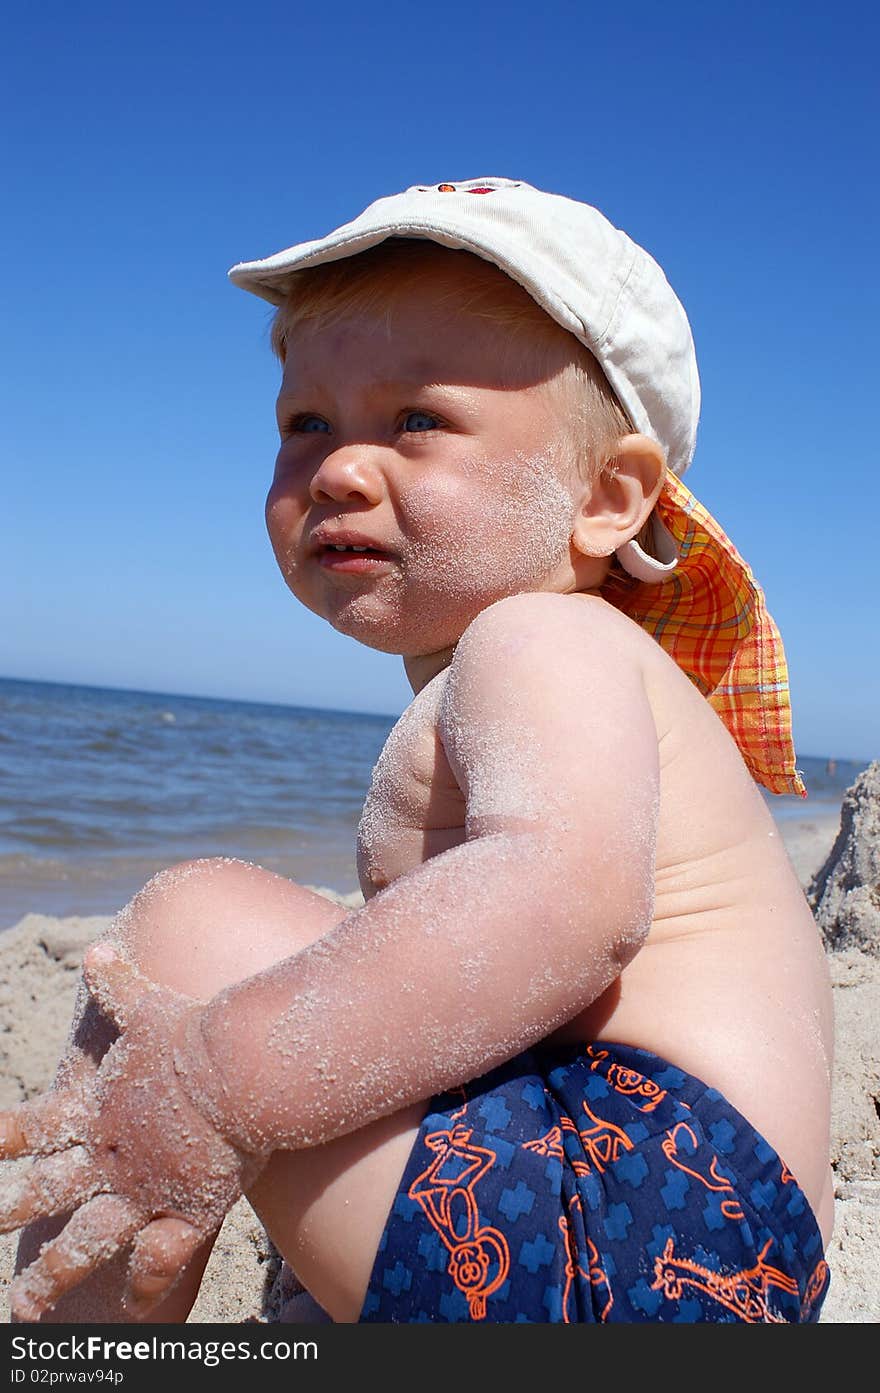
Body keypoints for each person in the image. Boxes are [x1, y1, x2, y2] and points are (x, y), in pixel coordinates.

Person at [0, 178, 833, 1324]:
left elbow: (568, 902)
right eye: (307, 424)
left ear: (608, 496)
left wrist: (212, 1083)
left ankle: (70, 1334)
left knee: (202, 928)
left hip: (644, 1213)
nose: (339, 469)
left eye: (415, 420)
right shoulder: (540, 671)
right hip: (685, 1243)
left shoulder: (539, 638)